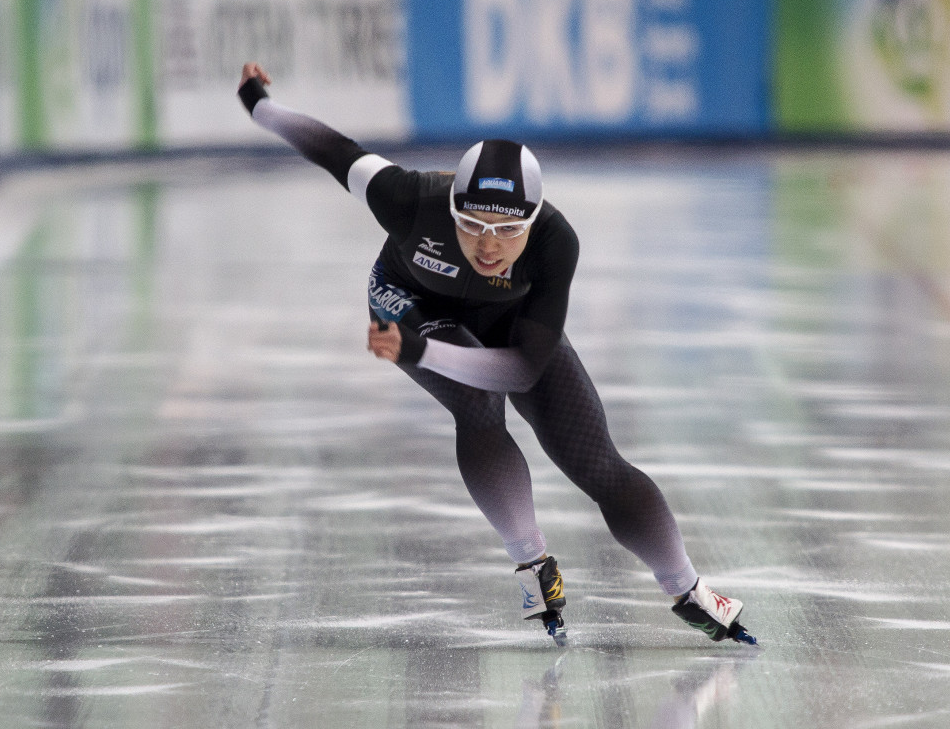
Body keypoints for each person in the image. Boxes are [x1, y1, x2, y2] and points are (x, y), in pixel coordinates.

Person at [237, 62, 756, 646]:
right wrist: (260, 105)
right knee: (478, 404)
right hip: (409, 302)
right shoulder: (408, 198)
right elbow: (332, 149)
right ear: (451, 207)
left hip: (501, 318)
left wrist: (421, 353)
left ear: (534, 221)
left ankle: (689, 590)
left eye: (509, 230)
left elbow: (524, 370)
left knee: (594, 458)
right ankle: (532, 563)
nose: (488, 246)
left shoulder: (556, 242)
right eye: (471, 224)